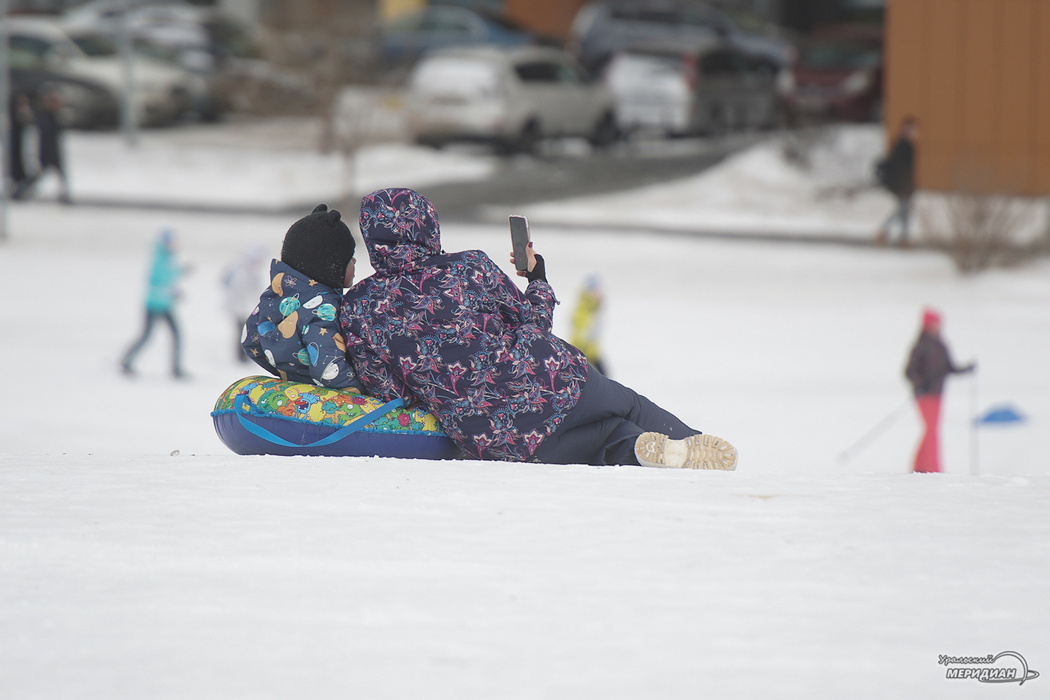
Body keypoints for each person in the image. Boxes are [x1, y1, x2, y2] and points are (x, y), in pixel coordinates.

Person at [339, 187, 737, 469]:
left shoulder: (358, 308)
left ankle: (635, 450)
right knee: (627, 406)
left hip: (495, 438)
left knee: (606, 441)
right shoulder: (468, 266)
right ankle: (693, 443)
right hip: (554, 380)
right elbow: (534, 321)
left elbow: (390, 391)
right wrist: (538, 278)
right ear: (428, 226)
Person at [241, 204, 364, 390]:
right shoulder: (323, 308)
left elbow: (250, 339)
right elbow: (329, 370)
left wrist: (285, 372)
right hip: (321, 398)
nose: (354, 261)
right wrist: (360, 392)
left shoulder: (276, 292)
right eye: (349, 258)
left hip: (291, 389)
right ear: (329, 266)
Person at [904, 308, 975, 473]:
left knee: (933, 430)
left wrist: (967, 369)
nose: (937, 326)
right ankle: (926, 467)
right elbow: (908, 371)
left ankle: (927, 466)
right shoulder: (920, 346)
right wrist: (920, 385)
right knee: (930, 430)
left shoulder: (941, 346)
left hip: (938, 394)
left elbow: (950, 368)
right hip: (924, 395)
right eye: (934, 323)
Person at [121, 227, 190, 378]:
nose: (174, 244)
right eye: (171, 241)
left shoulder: (168, 257)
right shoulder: (159, 259)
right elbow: (155, 281)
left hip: (165, 305)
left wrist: (182, 271)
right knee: (146, 336)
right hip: (153, 306)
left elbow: (170, 275)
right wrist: (171, 292)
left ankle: (176, 369)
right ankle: (125, 362)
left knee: (176, 335)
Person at [14, 86, 71, 204]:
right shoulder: (43, 117)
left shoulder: (56, 117)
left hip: (55, 153)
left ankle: (64, 196)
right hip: (44, 152)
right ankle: (21, 192)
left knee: (60, 176)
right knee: (37, 176)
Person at [876, 116, 918, 247]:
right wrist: (906, 185)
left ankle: (897, 235)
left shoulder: (905, 145)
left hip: (903, 184)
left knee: (903, 210)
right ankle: (898, 235)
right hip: (901, 184)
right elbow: (901, 168)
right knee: (903, 210)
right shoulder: (903, 146)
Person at [222, 246, 267, 364]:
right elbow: (237, 291)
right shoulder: (243, 271)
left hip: (242, 306)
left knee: (242, 330)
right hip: (238, 307)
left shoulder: (249, 270)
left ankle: (243, 355)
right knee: (241, 331)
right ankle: (240, 356)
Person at [570, 274, 607, 375]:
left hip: (591, 351)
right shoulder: (583, 310)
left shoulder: (592, 309)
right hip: (582, 352)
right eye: (595, 291)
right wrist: (583, 347)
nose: (598, 295)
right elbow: (580, 332)